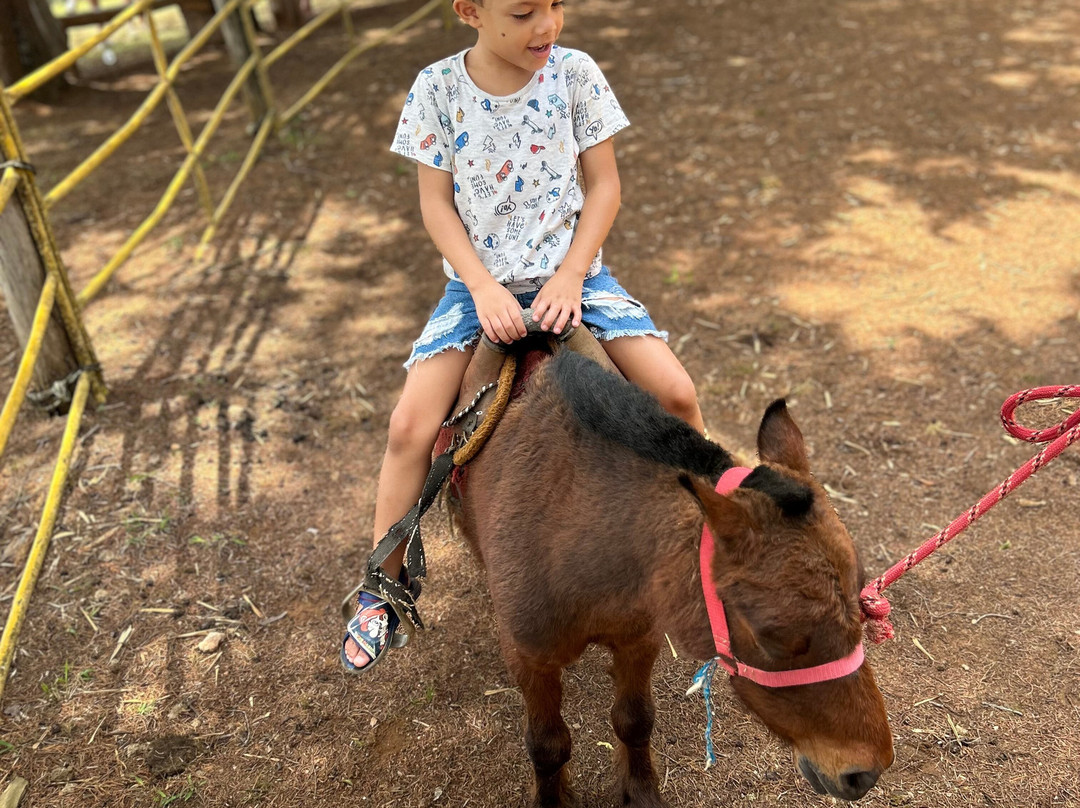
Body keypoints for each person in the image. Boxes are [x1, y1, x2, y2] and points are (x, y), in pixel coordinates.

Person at [341, 0, 705, 672]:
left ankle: (705, 545)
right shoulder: (436, 89)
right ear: (470, 11)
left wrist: (570, 274)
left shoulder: (576, 73)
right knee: (408, 428)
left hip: (575, 281)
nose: (548, 25)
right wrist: (483, 288)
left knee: (677, 395)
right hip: (477, 289)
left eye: (557, 4)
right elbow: (435, 205)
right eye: (525, 10)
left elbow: (605, 186)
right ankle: (382, 589)